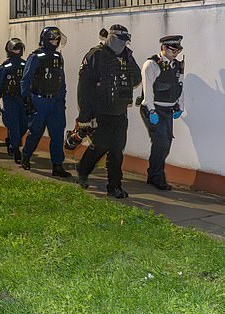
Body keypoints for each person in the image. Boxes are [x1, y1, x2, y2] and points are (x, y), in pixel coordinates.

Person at [75, 25, 142, 198]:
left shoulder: (127, 56)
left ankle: (114, 186)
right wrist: (85, 115)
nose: (123, 45)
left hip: (120, 112)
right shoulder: (96, 55)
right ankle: (82, 170)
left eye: (125, 42)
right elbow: (84, 88)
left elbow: (136, 79)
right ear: (112, 39)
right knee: (100, 146)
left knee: (117, 151)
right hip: (101, 111)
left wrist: (127, 65)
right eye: (121, 41)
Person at [20, 26, 71, 177]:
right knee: (35, 132)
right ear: (45, 39)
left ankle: (57, 165)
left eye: (57, 39)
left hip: (55, 101)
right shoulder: (35, 57)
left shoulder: (58, 57)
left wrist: (62, 99)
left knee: (57, 133)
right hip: (39, 100)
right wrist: (27, 100)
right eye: (52, 39)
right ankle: (26, 155)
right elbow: (26, 79)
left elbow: (61, 80)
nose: (55, 42)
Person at [139, 35, 185, 191]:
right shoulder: (151, 64)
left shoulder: (177, 65)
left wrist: (180, 106)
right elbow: (148, 91)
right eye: (173, 50)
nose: (176, 54)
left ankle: (153, 174)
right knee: (161, 142)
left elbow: (180, 86)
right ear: (163, 48)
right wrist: (151, 110)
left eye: (178, 50)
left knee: (166, 144)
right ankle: (157, 177)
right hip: (153, 108)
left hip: (168, 109)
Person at [0, 38, 28, 162]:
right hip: (9, 99)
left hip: (22, 100)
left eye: (19, 48)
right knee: (13, 126)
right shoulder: (4, 67)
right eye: (15, 48)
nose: (17, 50)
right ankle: (15, 149)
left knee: (24, 125)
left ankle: (11, 140)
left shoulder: (25, 65)